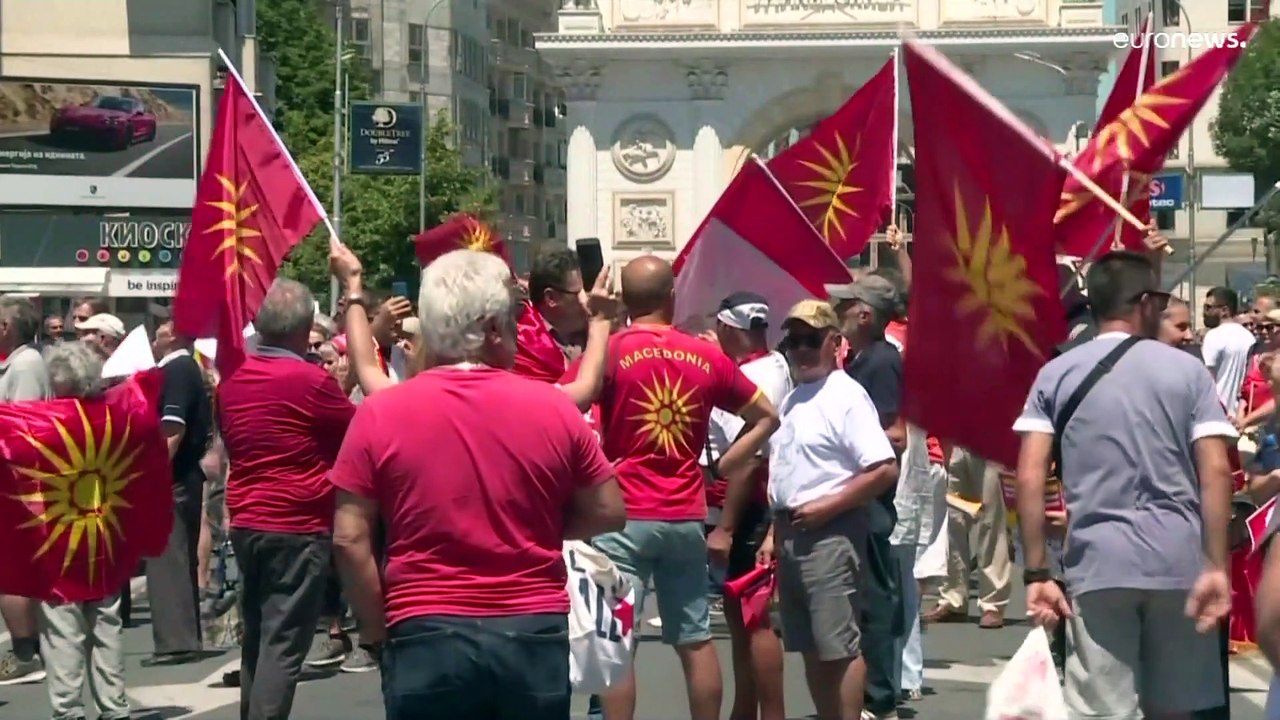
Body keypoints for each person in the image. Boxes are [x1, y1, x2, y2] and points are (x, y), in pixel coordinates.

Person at [328, 248, 626, 720]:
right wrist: (538, 525)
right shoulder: (553, 407)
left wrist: (374, 630)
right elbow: (608, 510)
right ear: (492, 329)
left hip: (423, 625)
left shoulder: (382, 412)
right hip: (530, 625)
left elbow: (349, 538)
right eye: (512, 320)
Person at [1016, 251, 1235, 718]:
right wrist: (1216, 564)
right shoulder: (1188, 371)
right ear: (1146, 303)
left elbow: (1030, 473)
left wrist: (1037, 570)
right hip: (1178, 561)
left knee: (1103, 709)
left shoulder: (1056, 372)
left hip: (1097, 560)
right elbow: (1216, 470)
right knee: (1175, 707)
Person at [593, 256, 779, 720]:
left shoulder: (612, 350)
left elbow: (570, 405)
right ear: (672, 297)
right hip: (684, 513)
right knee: (695, 639)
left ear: (626, 300)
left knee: (618, 641)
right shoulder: (707, 356)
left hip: (624, 513)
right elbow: (766, 417)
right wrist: (722, 467)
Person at [218, 278, 356, 718]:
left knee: (258, 635)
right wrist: (344, 383)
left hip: (248, 519)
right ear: (303, 328)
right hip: (297, 523)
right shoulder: (311, 382)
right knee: (283, 643)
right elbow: (356, 432)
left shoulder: (232, 381)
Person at [768, 299, 898, 720]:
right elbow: (785, 471)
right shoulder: (793, 398)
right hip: (791, 532)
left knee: (838, 646)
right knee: (808, 645)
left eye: (810, 340)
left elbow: (883, 468)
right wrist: (773, 533)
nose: (800, 350)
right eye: (793, 342)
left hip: (831, 533)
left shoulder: (846, 395)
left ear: (834, 342)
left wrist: (828, 507)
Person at [703, 291, 792, 720]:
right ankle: (744, 710)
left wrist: (726, 527)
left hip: (748, 510)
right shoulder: (767, 365)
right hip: (740, 507)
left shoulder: (758, 376)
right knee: (740, 620)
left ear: (726, 326)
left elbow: (750, 459)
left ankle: (769, 713)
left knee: (754, 620)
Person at [37, 340, 130, 720]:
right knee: (106, 624)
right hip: (105, 533)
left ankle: (68, 709)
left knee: (63, 628)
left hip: (57, 537)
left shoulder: (41, 426)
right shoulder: (113, 421)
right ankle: (114, 706)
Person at [143, 320, 213, 667]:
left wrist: (155, 471)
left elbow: (173, 425)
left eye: (161, 328)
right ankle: (184, 637)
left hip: (173, 477)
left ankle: (176, 642)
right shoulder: (182, 368)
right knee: (176, 556)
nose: (154, 334)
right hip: (182, 475)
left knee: (167, 559)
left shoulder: (178, 369)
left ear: (173, 335)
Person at [0, 295, 51, 686]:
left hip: (17, 485)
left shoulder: (26, 365)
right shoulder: (16, 363)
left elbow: (22, 427)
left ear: (6, 328)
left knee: (11, 569)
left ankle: (26, 652)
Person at [1202, 286, 1255, 416]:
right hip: (1240, 414)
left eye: (1208, 308)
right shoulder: (1249, 337)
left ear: (1224, 310)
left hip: (1216, 412)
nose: (1204, 312)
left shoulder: (1213, 336)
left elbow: (1207, 379)